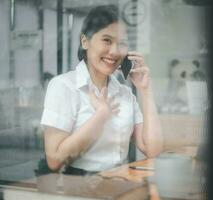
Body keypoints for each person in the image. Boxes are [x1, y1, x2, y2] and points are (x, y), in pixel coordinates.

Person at [40, 5, 163, 175]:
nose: (114, 51)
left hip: (120, 184)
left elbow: (152, 149)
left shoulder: (124, 93)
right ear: (85, 41)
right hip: (78, 188)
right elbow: (54, 160)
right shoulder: (63, 86)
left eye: (122, 43)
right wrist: (100, 117)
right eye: (107, 40)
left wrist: (146, 91)